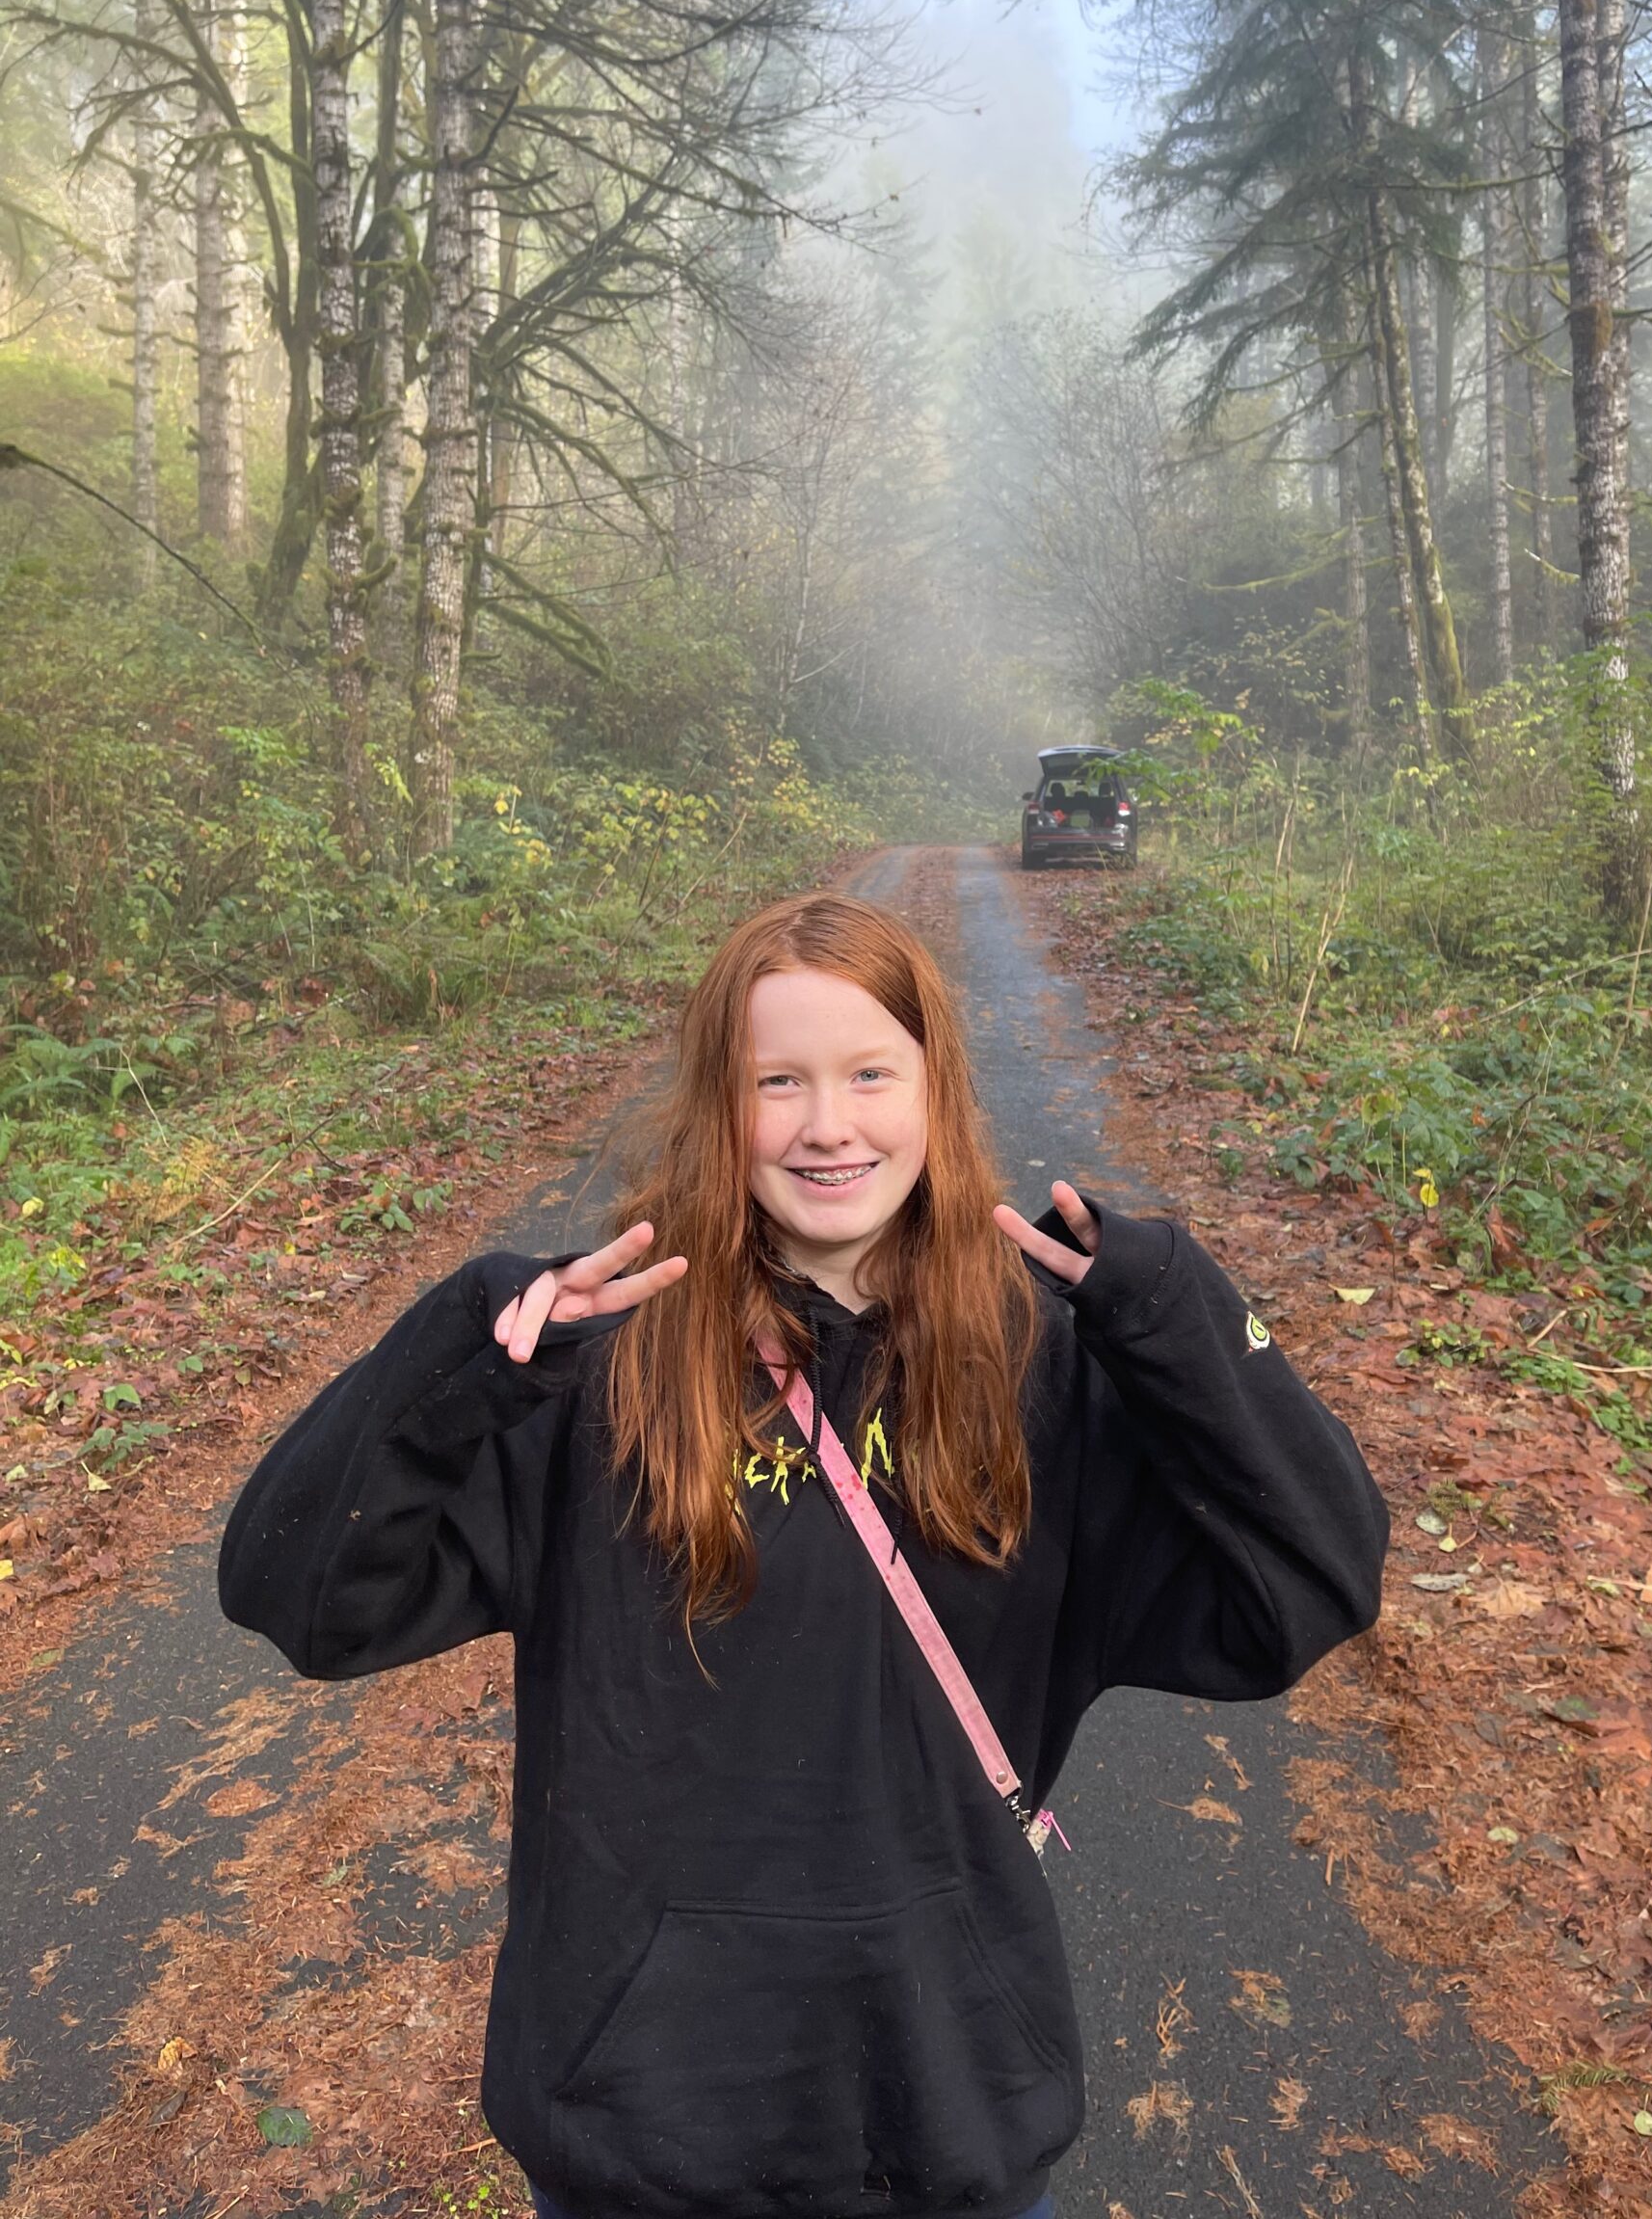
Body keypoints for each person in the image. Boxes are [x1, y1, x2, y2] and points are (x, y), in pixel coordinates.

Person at [219, 892, 1389, 2219]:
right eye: (778, 1081)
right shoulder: (598, 1376)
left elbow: (1310, 1585)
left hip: (946, 2118)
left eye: (870, 1074)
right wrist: (463, 1352)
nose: (829, 1125)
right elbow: (299, 1595)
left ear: (937, 1093)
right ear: (718, 1108)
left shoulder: (1036, 1373)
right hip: (641, 2137)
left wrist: (1175, 1313)